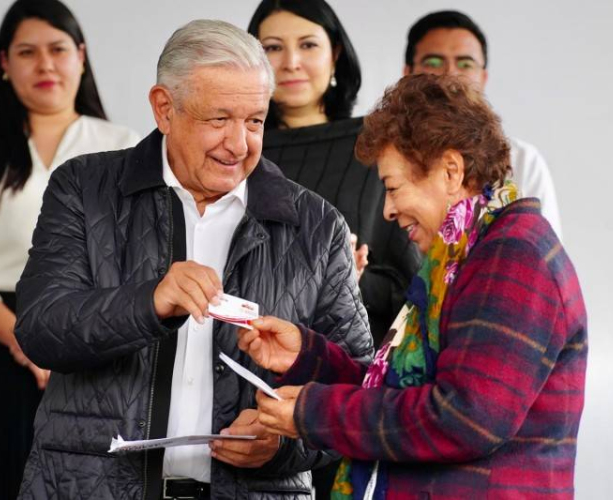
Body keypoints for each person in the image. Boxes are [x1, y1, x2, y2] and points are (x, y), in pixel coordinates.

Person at [13, 19, 373, 499]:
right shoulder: (84, 188)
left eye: (255, 121)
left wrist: (284, 445)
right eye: (219, 120)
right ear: (164, 109)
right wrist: (149, 303)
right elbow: (39, 328)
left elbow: (359, 390)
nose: (239, 144)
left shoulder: (316, 224)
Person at [236, 75, 587, 499]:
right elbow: (403, 394)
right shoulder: (461, 258)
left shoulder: (514, 254)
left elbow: (465, 419)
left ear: (451, 171)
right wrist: (308, 358)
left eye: (393, 187)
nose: (386, 210)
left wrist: (311, 412)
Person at [0, 0, 139, 497]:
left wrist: (73, 338)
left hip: (88, 346)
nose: (45, 64)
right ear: (3, 63)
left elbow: (131, 264)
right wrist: (22, 337)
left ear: (81, 56)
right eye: (27, 52)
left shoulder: (122, 146)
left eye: (58, 49)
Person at [248, 0, 420, 347]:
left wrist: (350, 279)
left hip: (348, 371)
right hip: (243, 354)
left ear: (335, 54)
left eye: (308, 45)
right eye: (273, 48)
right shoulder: (232, 148)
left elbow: (408, 291)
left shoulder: (378, 146)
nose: (291, 62)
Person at [404, 10, 563, 238]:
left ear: (483, 77)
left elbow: (544, 260)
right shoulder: (385, 161)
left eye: (465, 64)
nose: (450, 74)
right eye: (433, 62)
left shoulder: (522, 162)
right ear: (407, 73)